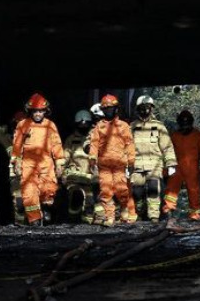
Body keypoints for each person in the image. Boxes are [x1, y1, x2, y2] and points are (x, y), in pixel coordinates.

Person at [10, 92, 66, 226]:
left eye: (41, 111)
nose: (38, 114)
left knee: (49, 189)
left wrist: (59, 163)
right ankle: (34, 219)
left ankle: (46, 209)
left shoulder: (50, 125)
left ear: (45, 111)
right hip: (28, 164)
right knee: (29, 192)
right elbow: (17, 145)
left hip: (46, 163)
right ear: (30, 111)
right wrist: (16, 161)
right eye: (35, 111)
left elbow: (56, 144)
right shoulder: (22, 125)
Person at [87, 94, 137, 226]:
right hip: (104, 165)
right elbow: (94, 143)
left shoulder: (123, 126)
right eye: (106, 108)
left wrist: (131, 161)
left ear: (116, 109)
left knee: (121, 189)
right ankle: (110, 217)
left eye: (111, 108)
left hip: (120, 164)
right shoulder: (99, 126)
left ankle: (125, 210)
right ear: (103, 110)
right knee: (106, 190)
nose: (109, 111)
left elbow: (129, 144)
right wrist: (92, 158)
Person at [129, 95, 178, 223]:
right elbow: (125, 147)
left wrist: (171, 163)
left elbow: (167, 146)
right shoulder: (132, 127)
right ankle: (140, 213)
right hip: (137, 165)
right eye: (142, 108)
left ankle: (154, 218)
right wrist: (124, 165)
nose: (144, 110)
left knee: (153, 190)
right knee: (137, 192)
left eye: (147, 108)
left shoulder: (159, 126)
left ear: (151, 109)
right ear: (137, 109)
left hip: (154, 165)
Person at [163, 110, 200, 220]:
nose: (185, 127)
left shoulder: (198, 136)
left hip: (192, 168)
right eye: (183, 125)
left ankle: (195, 214)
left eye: (187, 124)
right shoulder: (174, 136)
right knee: (171, 188)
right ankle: (168, 210)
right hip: (176, 167)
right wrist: (165, 171)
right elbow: (167, 153)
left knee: (194, 191)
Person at [62, 109, 100, 223]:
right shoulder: (71, 140)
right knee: (76, 196)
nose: (83, 126)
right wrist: (62, 173)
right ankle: (73, 220)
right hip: (75, 177)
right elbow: (64, 159)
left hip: (91, 178)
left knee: (90, 203)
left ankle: (86, 226)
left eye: (86, 124)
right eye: (80, 124)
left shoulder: (96, 138)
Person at [0, 111, 28, 224]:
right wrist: (8, 147)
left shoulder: (34, 135)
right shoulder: (9, 138)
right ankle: (20, 226)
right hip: (16, 175)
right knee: (19, 202)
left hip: (33, 174)